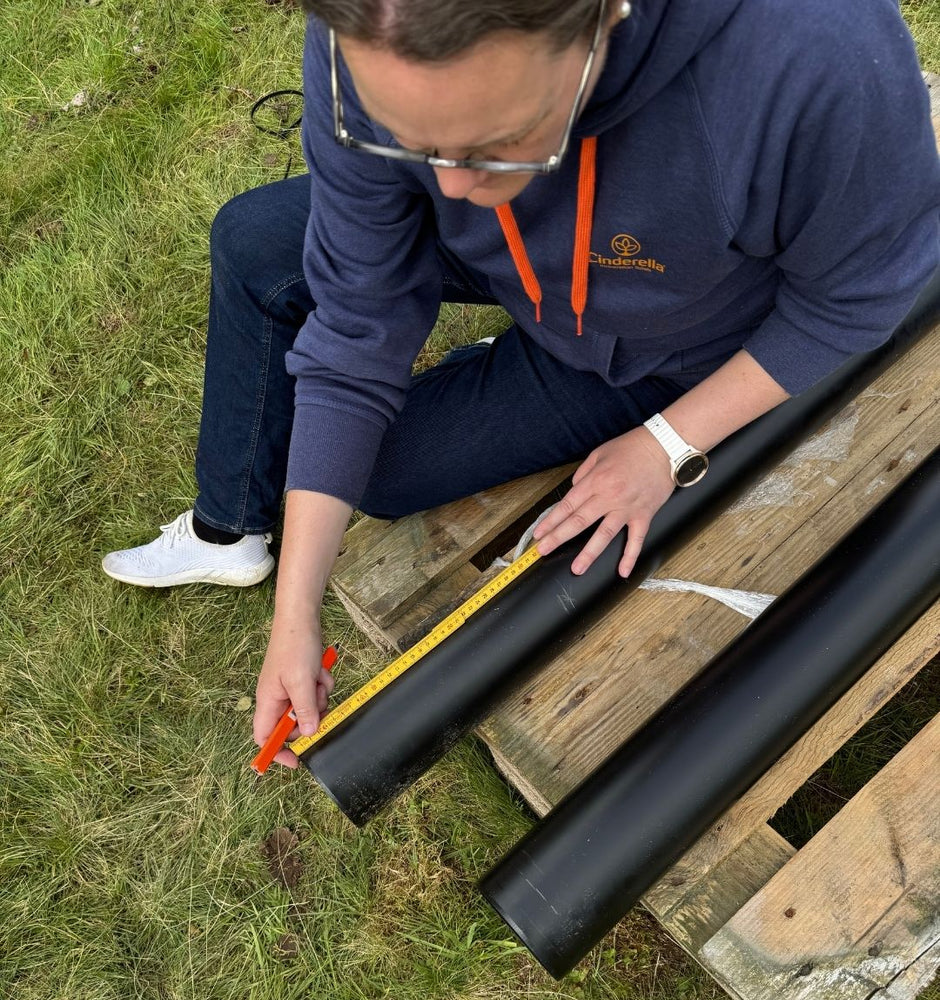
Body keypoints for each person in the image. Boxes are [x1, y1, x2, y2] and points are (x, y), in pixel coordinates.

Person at [103, 0, 940, 768]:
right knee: (257, 244)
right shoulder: (368, 36)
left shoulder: (812, 57)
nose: (453, 187)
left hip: (674, 344)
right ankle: (231, 536)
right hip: (528, 273)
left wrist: (665, 443)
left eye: (498, 141)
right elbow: (361, 317)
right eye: (412, 144)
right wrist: (297, 613)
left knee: (389, 473)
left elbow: (855, 299)